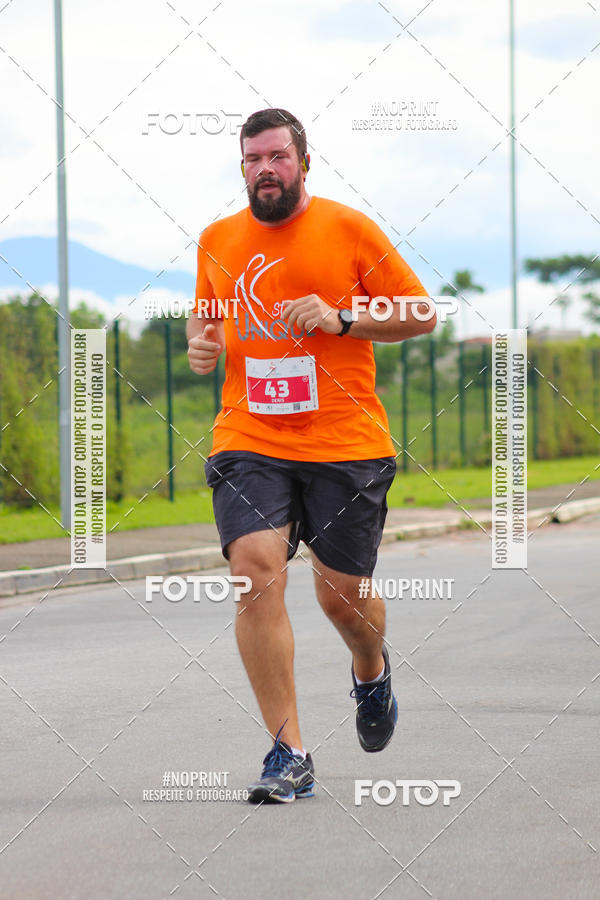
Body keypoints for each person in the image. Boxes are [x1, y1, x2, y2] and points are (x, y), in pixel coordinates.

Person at [187, 108, 436, 803]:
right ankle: (288, 752)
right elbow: (207, 314)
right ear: (243, 168)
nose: (265, 169)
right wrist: (202, 344)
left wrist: (342, 318)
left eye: (277, 157)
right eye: (253, 159)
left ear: (303, 161)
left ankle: (370, 668)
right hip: (250, 437)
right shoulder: (217, 239)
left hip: (344, 442)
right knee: (253, 570)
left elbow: (421, 314)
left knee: (342, 599)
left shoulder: (349, 229)